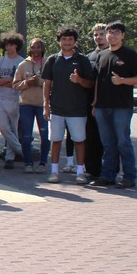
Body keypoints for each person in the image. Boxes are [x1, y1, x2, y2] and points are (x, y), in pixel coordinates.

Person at [90, 22, 137, 188]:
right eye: (109, 32)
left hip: (122, 106)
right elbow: (97, 81)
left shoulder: (130, 55)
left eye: (116, 32)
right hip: (101, 106)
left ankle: (129, 177)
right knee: (107, 143)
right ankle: (107, 175)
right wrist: (95, 103)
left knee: (123, 142)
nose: (112, 35)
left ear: (123, 35)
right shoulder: (102, 55)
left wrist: (122, 81)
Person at [42, 27, 94, 184]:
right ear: (59, 41)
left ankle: (80, 172)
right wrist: (46, 105)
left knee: (79, 140)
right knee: (56, 140)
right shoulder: (52, 60)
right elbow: (47, 83)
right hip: (57, 108)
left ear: (75, 41)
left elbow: (90, 83)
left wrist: (80, 80)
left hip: (77, 109)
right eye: (64, 39)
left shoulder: (83, 60)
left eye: (70, 39)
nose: (67, 42)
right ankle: (54, 171)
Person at [12, 38, 50, 173]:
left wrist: (39, 82)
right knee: (26, 136)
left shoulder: (48, 63)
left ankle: (43, 163)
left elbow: (53, 84)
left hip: (42, 104)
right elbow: (15, 85)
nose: (36, 50)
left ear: (42, 49)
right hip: (26, 104)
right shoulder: (23, 65)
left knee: (45, 136)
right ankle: (27, 163)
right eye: (33, 47)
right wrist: (27, 83)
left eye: (38, 47)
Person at [0, 31, 25, 169]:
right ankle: (22, 151)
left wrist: (4, 82)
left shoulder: (21, 62)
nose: (9, 48)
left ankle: (9, 158)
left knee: (13, 129)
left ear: (17, 45)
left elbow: (20, 82)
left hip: (15, 98)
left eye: (12, 45)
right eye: (7, 45)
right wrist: (5, 80)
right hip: (2, 98)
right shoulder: (0, 61)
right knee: (4, 128)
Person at [82, 23, 109, 179]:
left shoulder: (113, 54)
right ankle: (92, 170)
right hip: (89, 102)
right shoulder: (89, 57)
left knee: (109, 139)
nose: (98, 37)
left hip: (109, 103)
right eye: (96, 35)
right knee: (91, 137)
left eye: (101, 34)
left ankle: (110, 171)